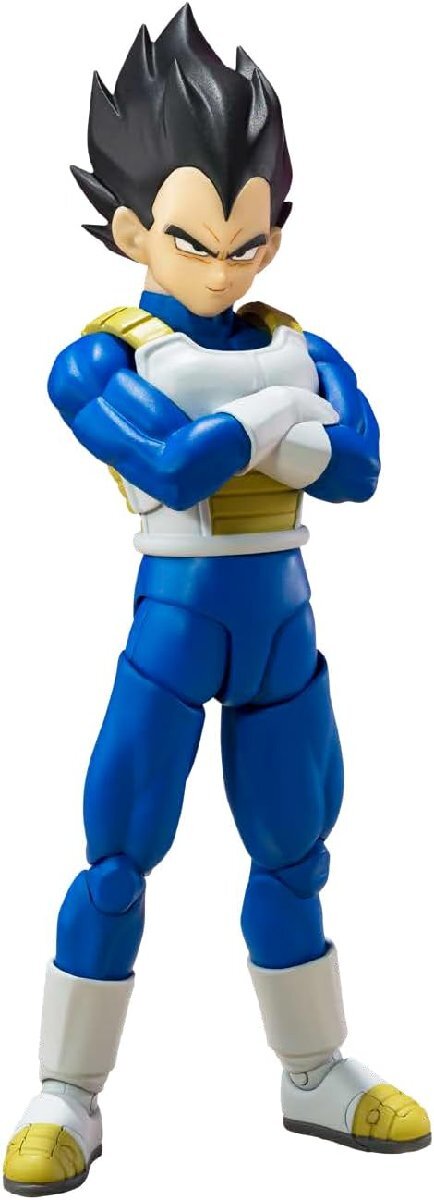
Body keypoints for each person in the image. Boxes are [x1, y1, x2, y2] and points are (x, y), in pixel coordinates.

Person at [3, 5, 430, 1194]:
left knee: (295, 851)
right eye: (196, 240)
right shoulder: (99, 355)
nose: (227, 266)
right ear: (133, 228)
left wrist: (258, 428)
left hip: (280, 622)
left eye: (252, 240)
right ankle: (66, 1089)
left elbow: (361, 470)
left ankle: (313, 1070)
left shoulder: (298, 337)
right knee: (117, 852)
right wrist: (278, 416)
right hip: (174, 622)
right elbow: (174, 464)